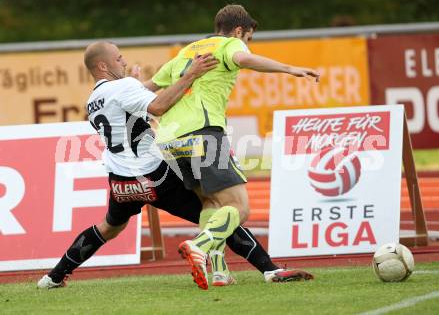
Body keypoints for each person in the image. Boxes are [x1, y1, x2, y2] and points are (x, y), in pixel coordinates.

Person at [37, 41, 313, 289]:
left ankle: (54, 277)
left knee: (108, 228)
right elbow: (158, 107)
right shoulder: (123, 87)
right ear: (103, 65)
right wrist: (191, 74)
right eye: (119, 58)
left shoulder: (93, 100)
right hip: (152, 175)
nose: (123, 61)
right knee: (217, 208)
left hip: (121, 180)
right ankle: (268, 269)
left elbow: (130, 109)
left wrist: (135, 83)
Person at [144, 4, 320, 289]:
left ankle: (220, 272)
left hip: (169, 141)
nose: (247, 45)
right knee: (239, 206)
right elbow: (243, 59)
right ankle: (199, 245)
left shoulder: (185, 52)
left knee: (211, 202)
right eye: (248, 38)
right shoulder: (229, 45)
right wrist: (290, 69)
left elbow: (146, 87)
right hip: (202, 133)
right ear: (240, 31)